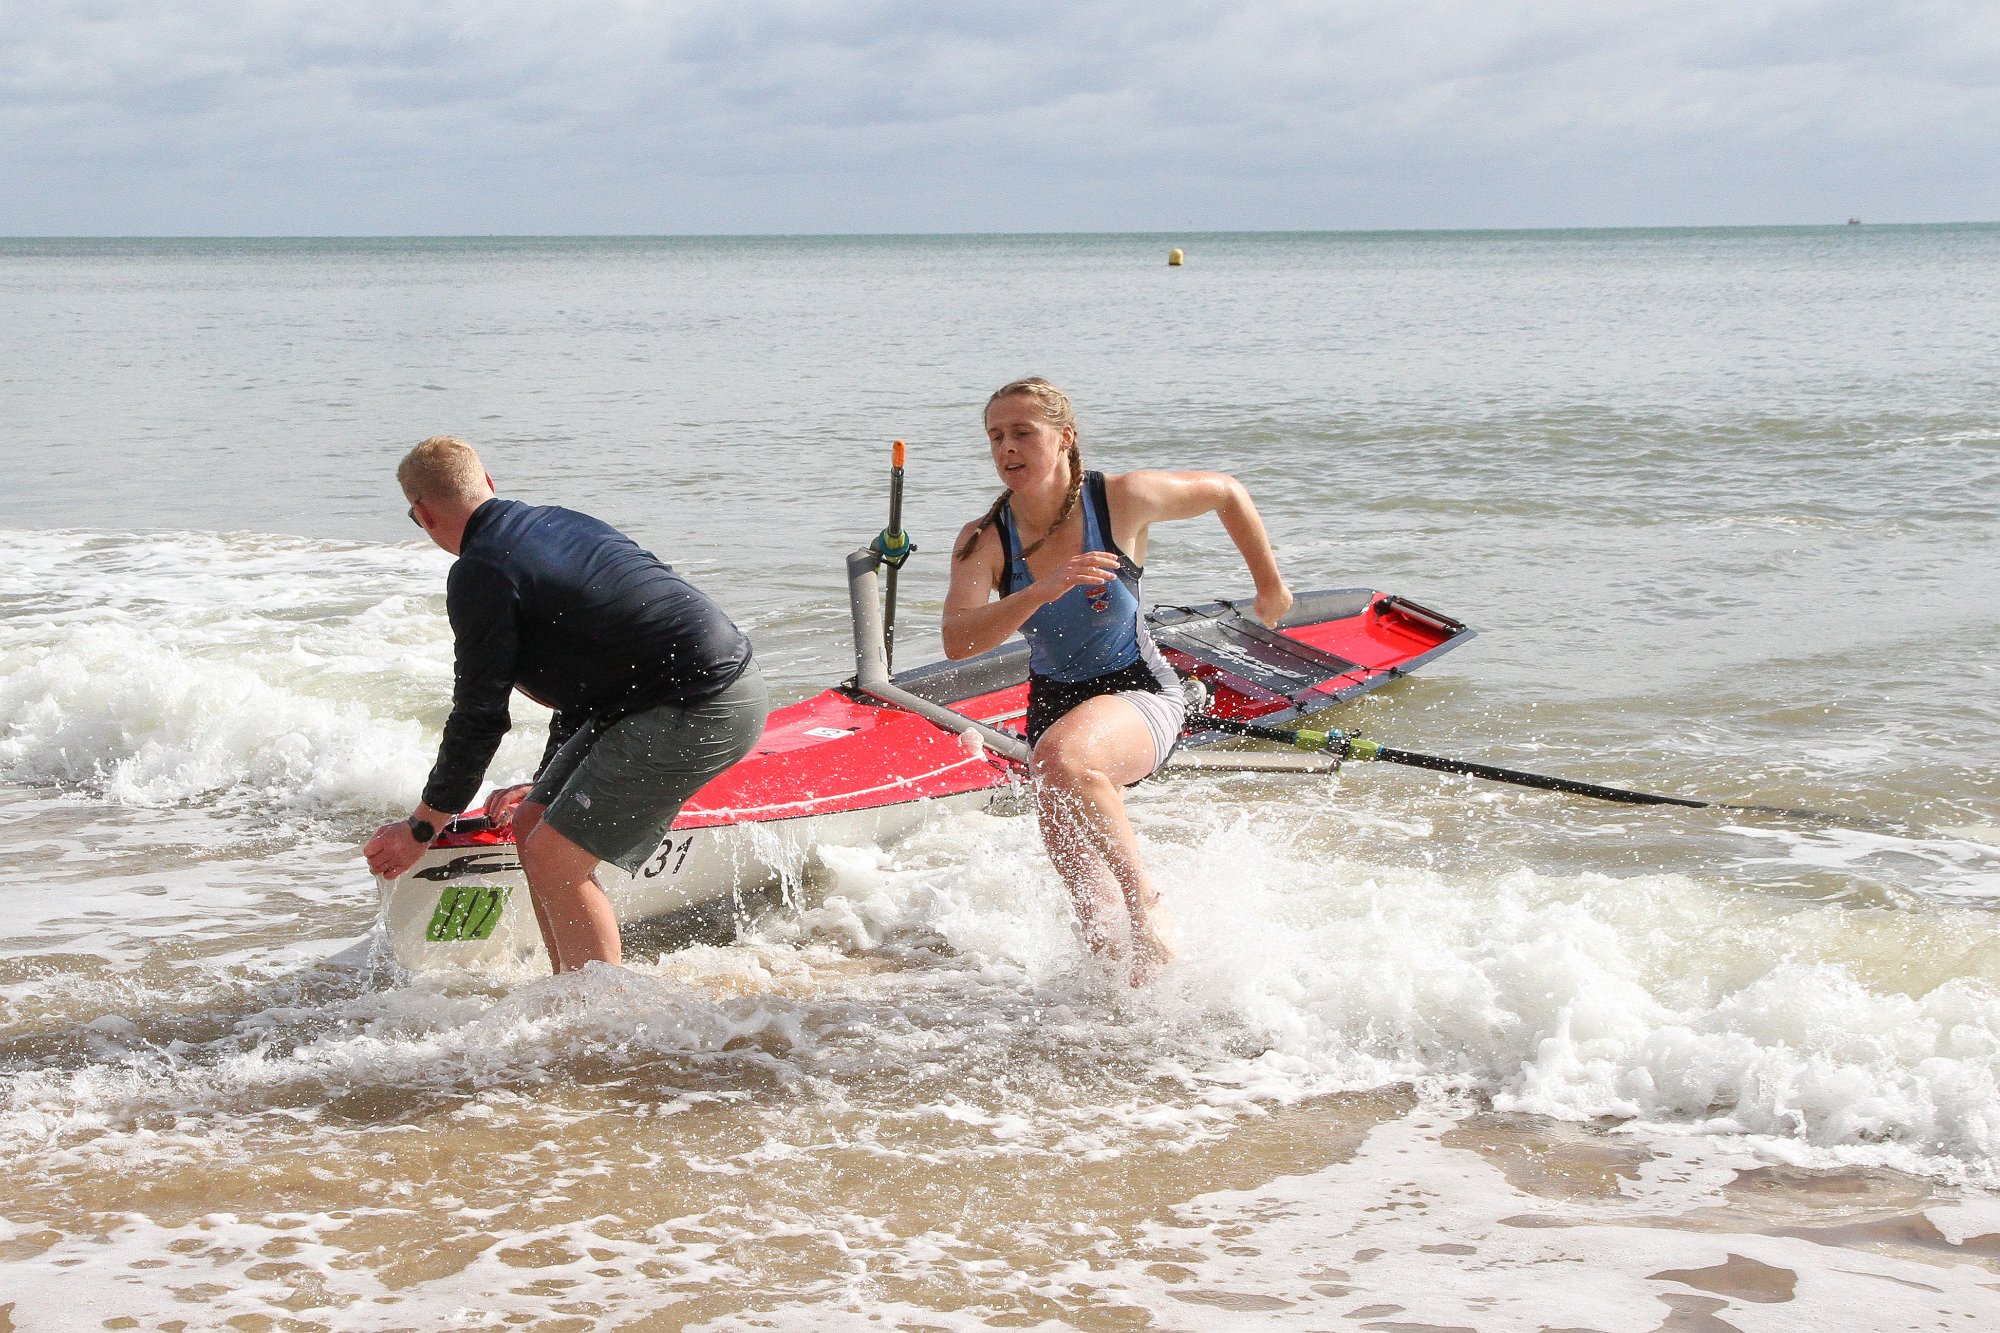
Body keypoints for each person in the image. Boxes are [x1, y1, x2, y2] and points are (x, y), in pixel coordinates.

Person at [362, 436, 766, 973]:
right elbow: (593, 669)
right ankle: (568, 992)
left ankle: (596, 1017)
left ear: (423, 513)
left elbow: (479, 714)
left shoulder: (482, 572)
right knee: (533, 826)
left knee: (557, 857)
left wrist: (422, 827)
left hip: (699, 701)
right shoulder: (559, 522)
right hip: (687, 688)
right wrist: (548, 778)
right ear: (489, 485)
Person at [942, 379, 1293, 985]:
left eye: (1024, 432)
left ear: (1065, 437)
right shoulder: (985, 539)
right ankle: (1121, 1020)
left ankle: (1150, 909)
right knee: (1091, 912)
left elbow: (1227, 494)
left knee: (1063, 759)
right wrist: (1041, 590)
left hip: (1141, 691)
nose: (1008, 449)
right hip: (1053, 704)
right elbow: (959, 640)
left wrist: (1270, 586)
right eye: (996, 437)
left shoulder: (1122, 500)